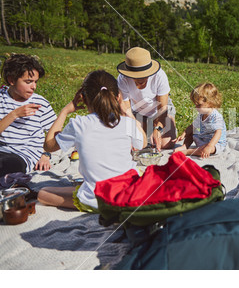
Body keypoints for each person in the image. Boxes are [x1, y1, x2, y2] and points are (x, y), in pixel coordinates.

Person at [37, 70, 147, 212]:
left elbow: (49, 145)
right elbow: (143, 144)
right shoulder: (126, 122)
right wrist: (128, 114)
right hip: (130, 196)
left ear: (82, 98)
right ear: (118, 97)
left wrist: (65, 111)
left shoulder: (78, 124)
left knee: (43, 193)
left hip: (96, 200)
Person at [0, 54, 56, 176]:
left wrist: (45, 154)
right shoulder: (1, 99)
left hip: (24, 155)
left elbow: (56, 134)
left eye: (35, 82)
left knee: (4, 165)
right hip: (2, 150)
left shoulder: (40, 103)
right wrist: (14, 114)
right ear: (11, 80)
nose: (34, 87)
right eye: (28, 82)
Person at [117, 47, 176, 151]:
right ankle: (147, 129)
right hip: (137, 112)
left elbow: (162, 109)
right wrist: (134, 127)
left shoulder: (160, 76)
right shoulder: (122, 79)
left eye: (144, 75)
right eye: (136, 76)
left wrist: (158, 129)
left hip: (160, 111)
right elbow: (126, 111)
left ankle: (152, 128)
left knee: (166, 143)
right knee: (139, 143)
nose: (141, 79)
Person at [173, 83, 227, 158]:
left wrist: (209, 145)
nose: (196, 107)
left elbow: (218, 133)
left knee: (209, 149)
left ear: (210, 102)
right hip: (203, 138)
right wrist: (184, 134)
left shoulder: (216, 116)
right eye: (195, 105)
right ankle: (185, 146)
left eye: (199, 105)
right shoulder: (201, 114)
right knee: (192, 132)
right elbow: (192, 126)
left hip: (215, 143)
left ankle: (188, 152)